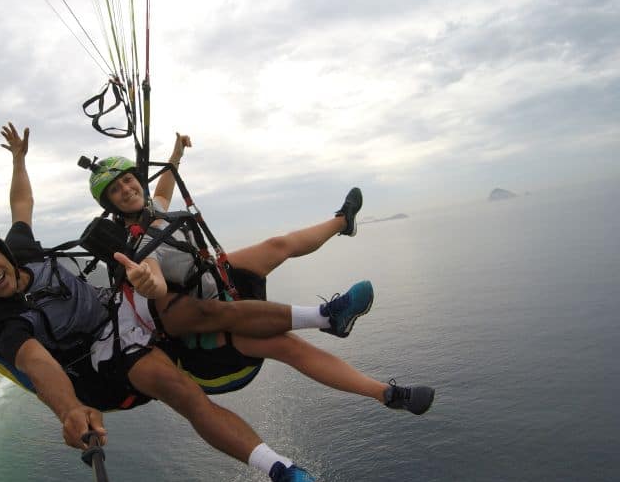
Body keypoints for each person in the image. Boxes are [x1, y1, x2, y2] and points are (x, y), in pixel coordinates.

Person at [0, 122, 383, 482]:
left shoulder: (23, 249)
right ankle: (283, 472)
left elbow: (22, 202)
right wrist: (70, 411)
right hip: (103, 354)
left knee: (215, 308)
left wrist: (19, 160)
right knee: (181, 391)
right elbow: (39, 365)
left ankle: (328, 304)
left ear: (1, 250)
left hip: (120, 306)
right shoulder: (3, 322)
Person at [84, 136, 434, 415]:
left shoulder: (155, 209)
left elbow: (162, 188)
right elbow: (154, 277)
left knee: (276, 245)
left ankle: (343, 222)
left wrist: (176, 152)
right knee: (288, 346)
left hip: (211, 278)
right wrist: (147, 282)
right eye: (116, 190)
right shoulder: (138, 243)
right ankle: (386, 393)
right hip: (203, 328)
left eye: (129, 181)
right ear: (110, 204)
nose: (127, 190)